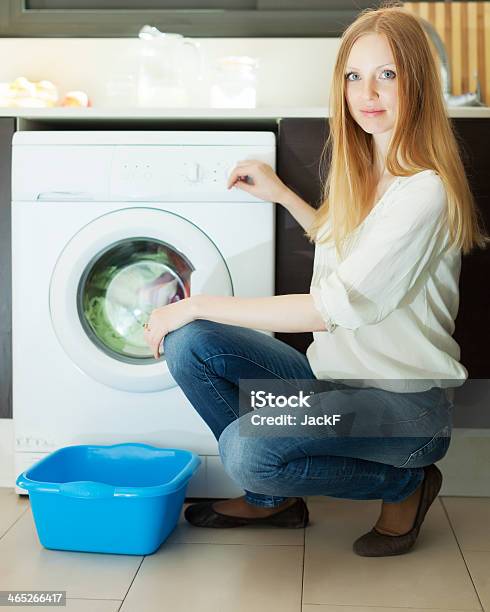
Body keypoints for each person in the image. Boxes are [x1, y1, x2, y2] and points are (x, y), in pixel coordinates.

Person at [142, 2, 489, 557]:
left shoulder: (424, 188)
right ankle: (272, 495)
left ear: (417, 83)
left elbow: (330, 306)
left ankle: (405, 482)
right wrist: (282, 195)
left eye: (388, 75)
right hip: (334, 382)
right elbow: (346, 253)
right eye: (355, 76)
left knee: (245, 449)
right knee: (192, 346)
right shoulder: (368, 166)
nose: (367, 93)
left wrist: (195, 302)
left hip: (401, 405)